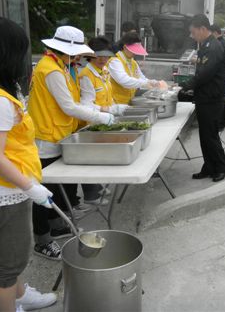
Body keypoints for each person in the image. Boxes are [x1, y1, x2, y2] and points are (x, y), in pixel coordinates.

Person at [0, 17, 57, 312]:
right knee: (8, 265)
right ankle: (10, 304)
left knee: (12, 254)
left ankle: (20, 295)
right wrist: (32, 187)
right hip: (2, 196)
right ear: (5, 54)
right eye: (19, 52)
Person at [28, 26, 115, 260]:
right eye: (75, 54)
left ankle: (56, 226)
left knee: (58, 187)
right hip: (46, 136)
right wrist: (101, 116)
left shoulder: (60, 66)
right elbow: (68, 106)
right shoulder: (51, 70)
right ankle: (42, 240)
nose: (78, 58)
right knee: (44, 192)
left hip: (59, 133)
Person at [180, 14, 225, 182]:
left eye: (193, 32)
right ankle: (209, 166)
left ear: (202, 29)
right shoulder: (205, 45)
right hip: (204, 96)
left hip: (212, 98)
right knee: (205, 135)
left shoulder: (213, 47)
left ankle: (221, 167)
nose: (192, 36)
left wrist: (184, 86)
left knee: (211, 135)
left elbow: (205, 74)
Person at [79, 37, 128, 203]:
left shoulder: (105, 70)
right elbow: (86, 104)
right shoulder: (86, 75)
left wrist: (115, 107)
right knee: (90, 159)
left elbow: (108, 95)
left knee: (99, 157)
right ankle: (91, 195)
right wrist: (107, 110)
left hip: (105, 122)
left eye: (106, 56)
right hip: (92, 123)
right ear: (90, 56)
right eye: (99, 56)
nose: (103, 59)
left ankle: (98, 187)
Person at [108, 31, 165, 105]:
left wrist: (153, 82)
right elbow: (124, 80)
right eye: (133, 50)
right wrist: (145, 83)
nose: (135, 53)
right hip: (115, 103)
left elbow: (141, 78)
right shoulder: (115, 62)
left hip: (128, 102)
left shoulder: (133, 62)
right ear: (125, 47)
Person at [210, 24, 225, 131]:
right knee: (220, 100)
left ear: (214, 32)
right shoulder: (221, 42)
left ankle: (220, 123)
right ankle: (220, 122)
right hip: (222, 75)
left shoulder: (220, 44)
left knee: (220, 100)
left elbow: (217, 62)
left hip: (221, 76)